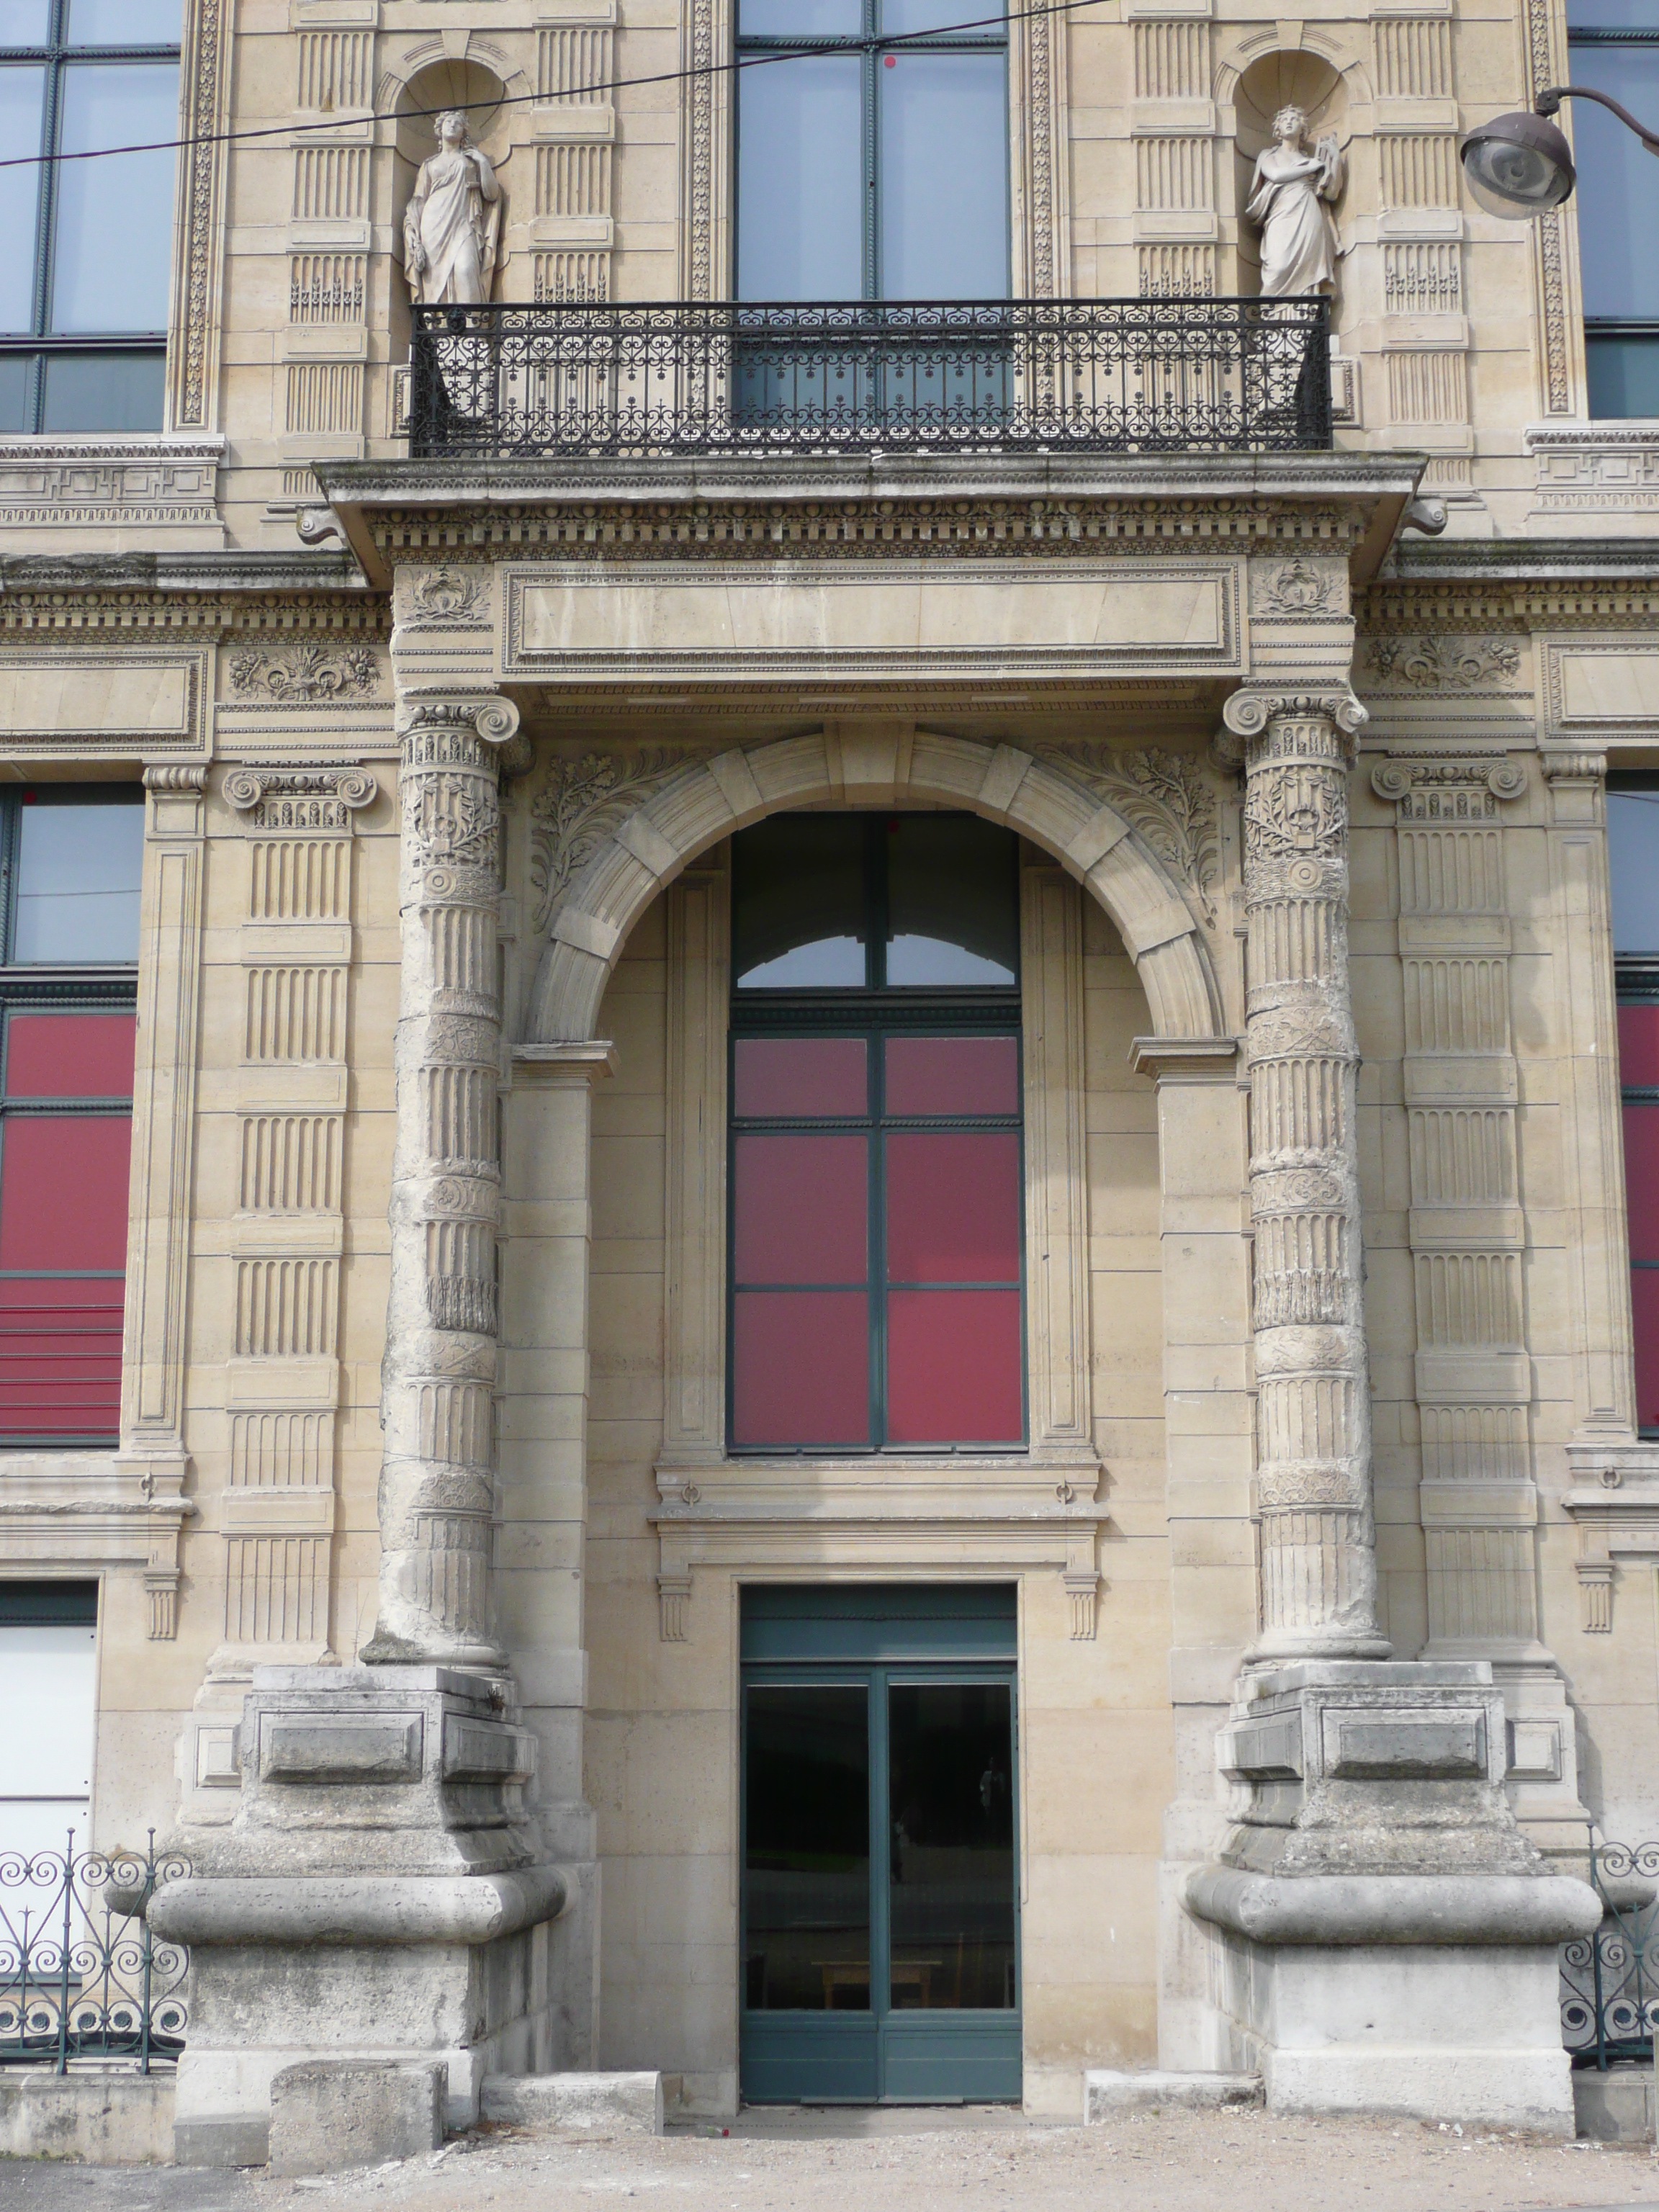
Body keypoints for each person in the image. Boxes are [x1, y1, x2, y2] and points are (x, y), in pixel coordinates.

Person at [403, 109, 502, 306]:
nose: (452, 125)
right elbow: (418, 200)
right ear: (439, 130)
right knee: (436, 278)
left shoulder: (471, 162)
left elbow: (492, 194)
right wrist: (411, 232)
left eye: (458, 123)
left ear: (463, 132)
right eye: (448, 122)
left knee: (465, 268)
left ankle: (472, 330)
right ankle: (438, 331)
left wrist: (482, 161)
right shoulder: (429, 165)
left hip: (463, 223)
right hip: (433, 226)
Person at [1246, 104, 1344, 299]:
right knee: (1278, 266)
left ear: (1303, 129)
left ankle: (1307, 322)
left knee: (1308, 267)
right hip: (1281, 216)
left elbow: (1330, 194)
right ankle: (1273, 322)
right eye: (1284, 120)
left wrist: (1335, 162)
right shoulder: (1269, 156)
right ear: (1278, 129)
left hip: (1308, 213)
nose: (1289, 122)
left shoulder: (1314, 160)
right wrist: (1310, 167)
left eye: (1294, 119)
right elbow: (1275, 175)